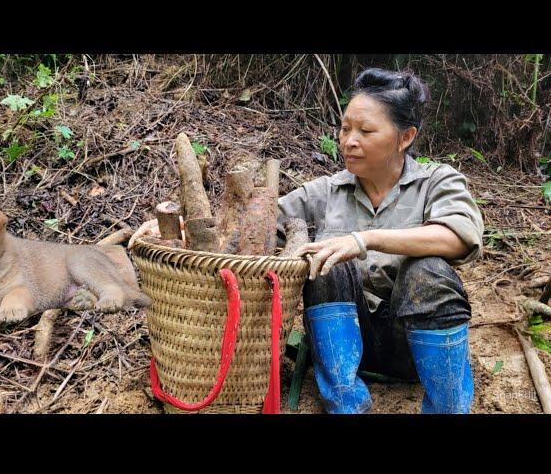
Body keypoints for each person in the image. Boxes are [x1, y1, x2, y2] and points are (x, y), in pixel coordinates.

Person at [128, 67, 484, 414]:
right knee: (325, 259)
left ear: (405, 137)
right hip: (346, 351)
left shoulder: (438, 182)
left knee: (429, 272)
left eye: (365, 130)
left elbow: (457, 237)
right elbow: (248, 234)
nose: (349, 141)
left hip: (412, 348)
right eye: (345, 129)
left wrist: (363, 240)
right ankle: (345, 403)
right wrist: (173, 229)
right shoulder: (327, 191)